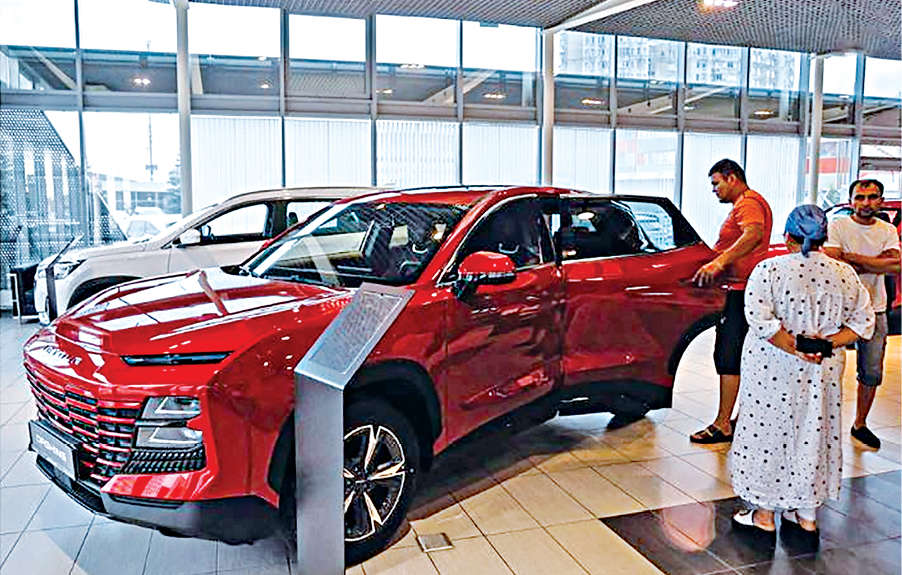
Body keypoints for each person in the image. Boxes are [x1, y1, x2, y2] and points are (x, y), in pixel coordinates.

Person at [730, 205, 874, 535]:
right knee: (815, 430)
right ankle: (806, 515)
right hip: (824, 370)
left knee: (769, 433)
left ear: (787, 236)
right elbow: (863, 322)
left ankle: (764, 514)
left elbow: (760, 321)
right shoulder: (844, 274)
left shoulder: (769, 269)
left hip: (773, 368)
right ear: (824, 237)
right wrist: (825, 344)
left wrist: (796, 347)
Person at [690, 159, 773, 444]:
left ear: (732, 178)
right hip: (741, 289)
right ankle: (740, 418)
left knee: (729, 356)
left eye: (716, 183)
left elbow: (754, 234)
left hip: (742, 291)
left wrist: (719, 262)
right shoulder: (746, 203)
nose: (714, 190)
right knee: (738, 356)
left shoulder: (747, 203)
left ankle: (723, 424)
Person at [823, 179, 901, 450]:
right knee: (825, 365)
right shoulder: (838, 226)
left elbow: (896, 266)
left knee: (871, 371)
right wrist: (877, 262)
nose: (866, 203)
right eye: (860, 197)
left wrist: (852, 258)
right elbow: (833, 261)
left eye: (872, 197)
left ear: (881, 201)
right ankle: (823, 423)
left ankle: (860, 424)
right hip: (837, 310)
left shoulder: (887, 230)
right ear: (851, 200)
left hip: (874, 308)